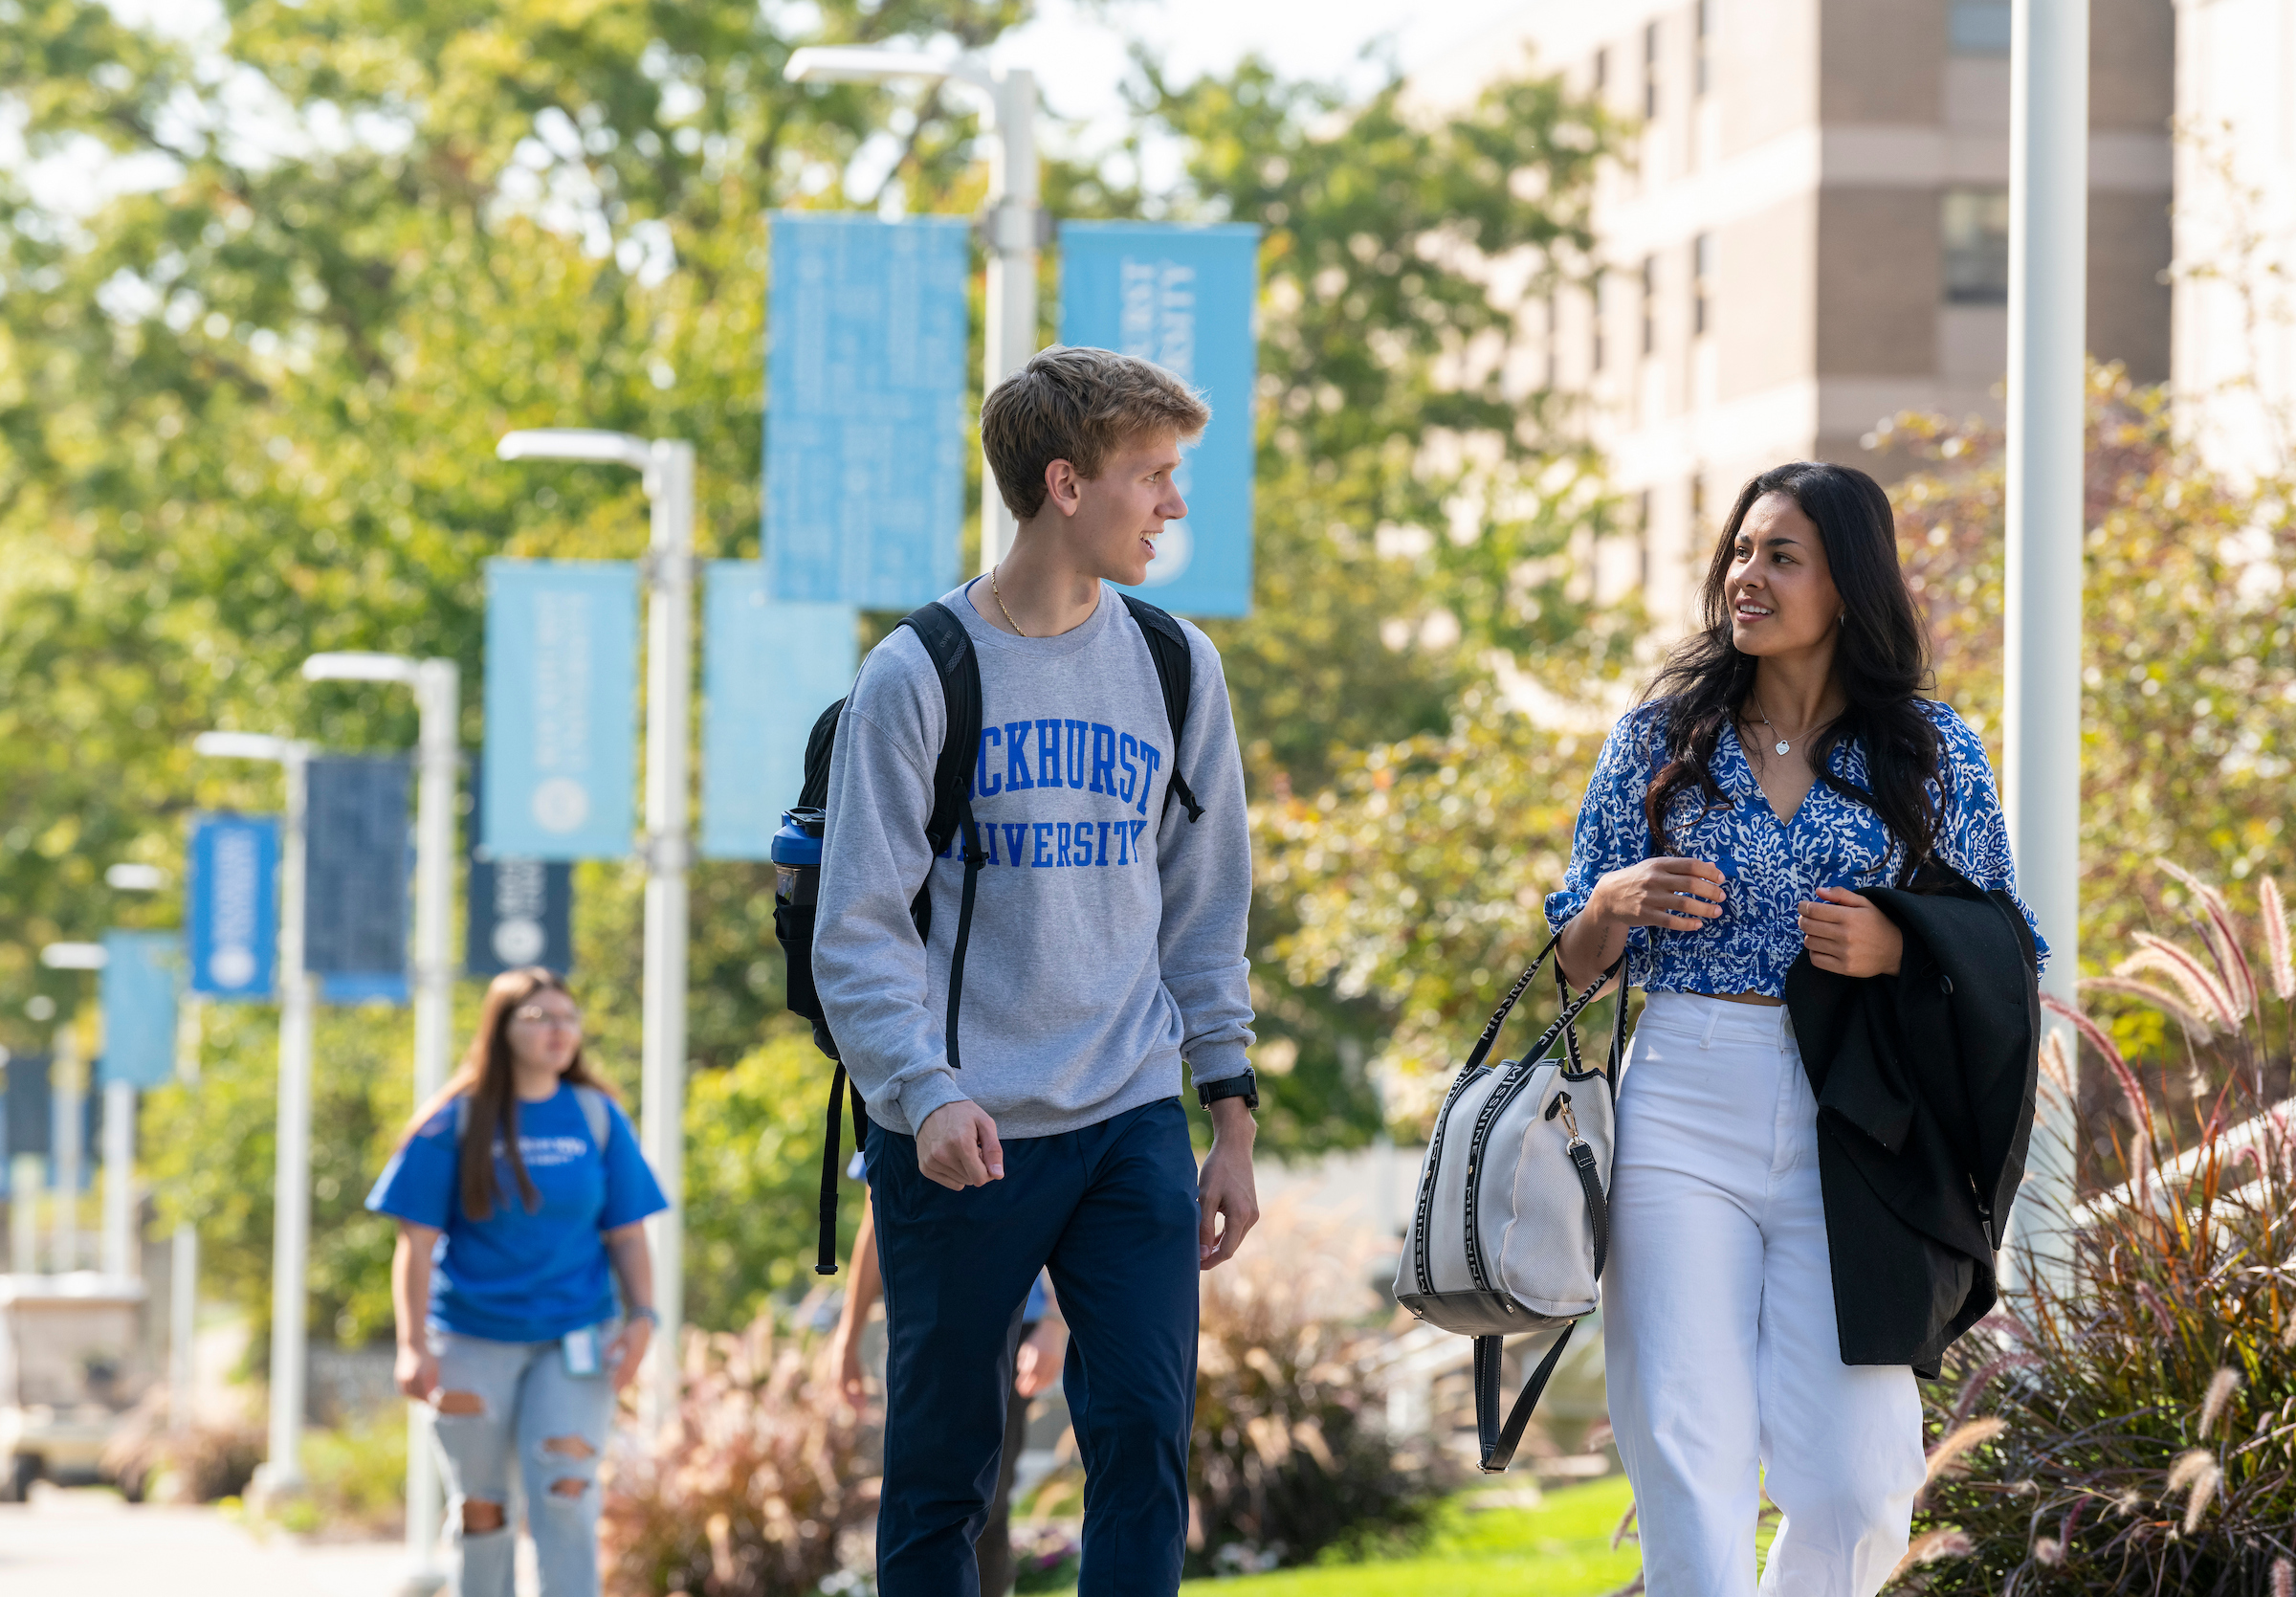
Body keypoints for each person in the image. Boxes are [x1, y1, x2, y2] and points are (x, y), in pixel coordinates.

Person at [1546, 461, 2044, 1597]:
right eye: (1740, 550)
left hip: (1854, 1117)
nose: (1747, 575)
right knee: (1686, 1453)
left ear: (1847, 583)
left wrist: (1899, 941)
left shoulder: (1927, 750)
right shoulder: (1658, 741)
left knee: (1860, 1486)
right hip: (1680, 1088)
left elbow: (2010, 945)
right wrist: (1613, 903)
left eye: (1782, 556)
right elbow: (1572, 962)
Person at [812, 344, 1262, 1597]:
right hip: (964, 1129)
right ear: (1066, 483)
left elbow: (1206, 905)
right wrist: (924, 1086)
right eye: (1151, 475)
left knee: (1140, 1450)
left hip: (1126, 1118)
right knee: (945, 1478)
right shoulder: (919, 673)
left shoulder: (1178, 667)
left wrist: (1227, 1114)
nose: (1173, 504)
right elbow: (858, 926)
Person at [367, 967, 667, 1597]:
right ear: (501, 1028)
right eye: (539, 1017)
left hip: (576, 1337)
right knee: (483, 1507)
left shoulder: (597, 1114)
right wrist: (411, 1343)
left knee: (565, 1493)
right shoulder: (454, 1120)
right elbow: (414, 1245)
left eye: (567, 1016)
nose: (558, 1029)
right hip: (470, 1340)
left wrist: (644, 1318)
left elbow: (629, 1234)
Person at [828, 1187, 1069, 1597]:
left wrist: (1054, 1319)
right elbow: (878, 1211)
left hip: (1011, 1317)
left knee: (986, 1498)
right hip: (923, 1316)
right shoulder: (892, 1118)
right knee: (921, 1497)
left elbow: (1064, 1199)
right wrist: (846, 1339)